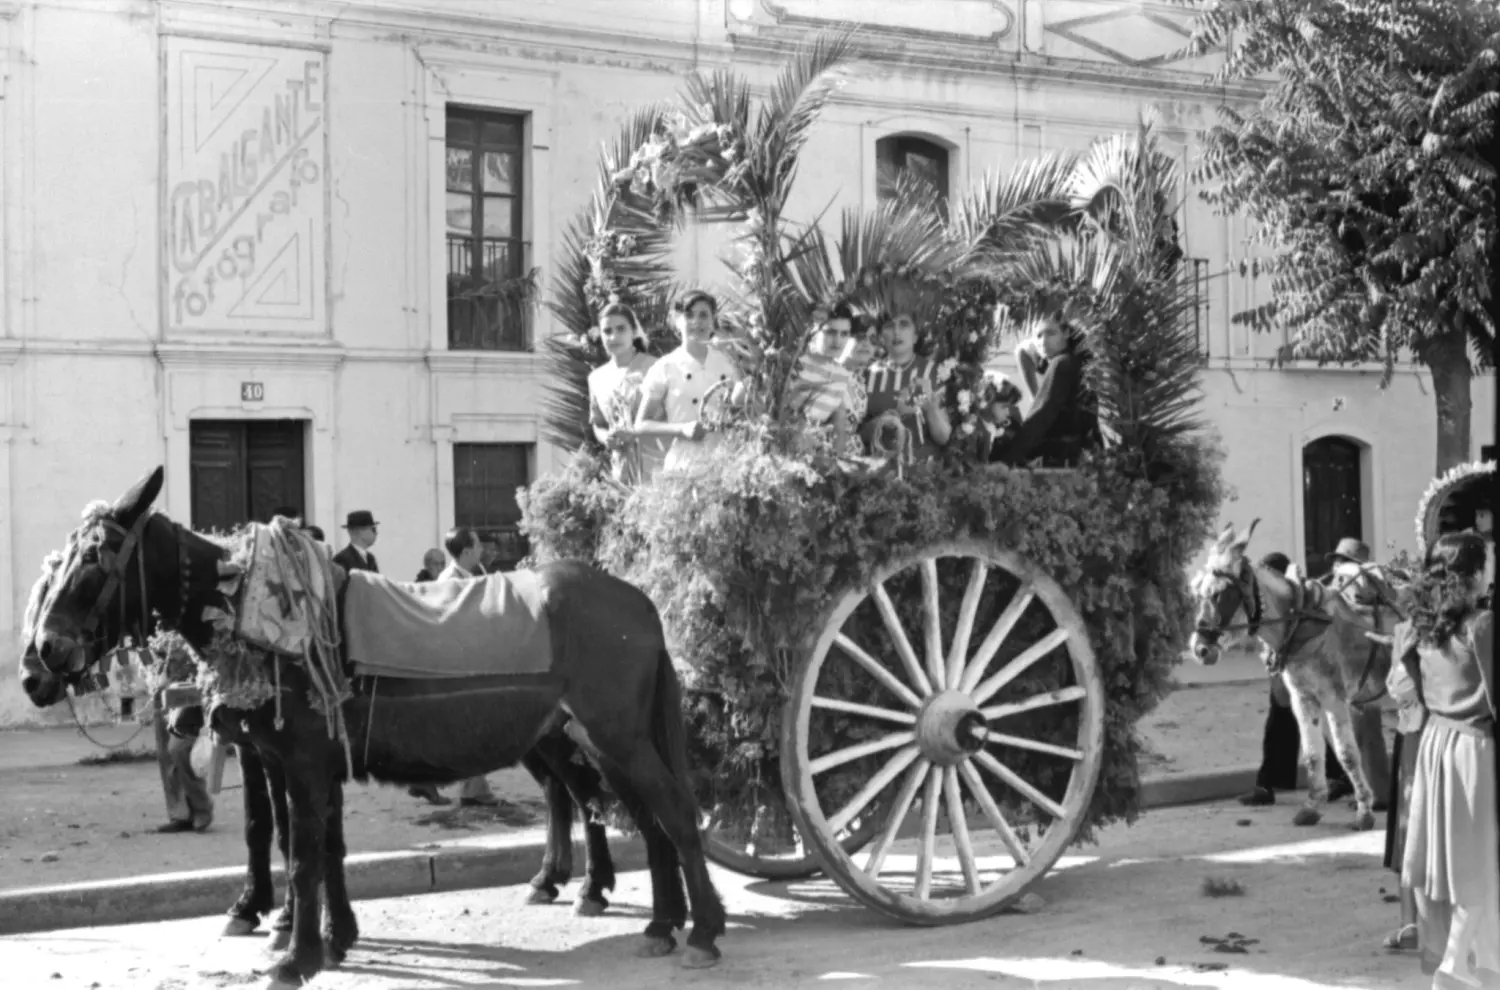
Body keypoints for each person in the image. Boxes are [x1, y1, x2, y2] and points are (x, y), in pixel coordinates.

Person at [1395, 532, 1497, 987]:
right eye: (1488, 561)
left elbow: (1411, 690)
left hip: (1436, 745)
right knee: (1479, 863)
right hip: (1475, 749)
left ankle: (1490, 963)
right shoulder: (1482, 624)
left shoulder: (1419, 625)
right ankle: (1454, 966)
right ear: (1472, 573)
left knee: (1460, 863)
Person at [1238, 551, 1362, 806]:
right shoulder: (1277, 601)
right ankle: (1271, 783)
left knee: (1303, 723)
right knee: (1288, 722)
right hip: (1287, 670)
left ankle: (1272, 784)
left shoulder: (1300, 603)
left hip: (1304, 672)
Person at [417, 526, 503, 809]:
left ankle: (472, 788)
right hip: (457, 664)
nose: (482, 549)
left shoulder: (471, 574)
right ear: (466, 551)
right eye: (477, 544)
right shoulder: (450, 581)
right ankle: (426, 777)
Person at [634, 289, 741, 478]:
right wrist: (681, 429)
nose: (696, 322)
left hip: (726, 465)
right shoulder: (665, 367)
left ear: (713, 320)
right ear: (677, 321)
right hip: (684, 467)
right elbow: (641, 426)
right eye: (689, 315)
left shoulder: (729, 362)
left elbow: (742, 411)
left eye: (703, 315)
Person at [989, 315, 1099, 468]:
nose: (1043, 341)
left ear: (1066, 333)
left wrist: (1008, 460)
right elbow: (1022, 352)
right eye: (1038, 336)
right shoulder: (1077, 361)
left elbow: (1042, 415)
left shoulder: (1061, 363)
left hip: (1060, 454)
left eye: (1051, 333)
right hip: (1082, 451)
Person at [587, 301, 667, 484]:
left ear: (634, 331)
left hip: (657, 468)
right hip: (620, 471)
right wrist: (606, 438)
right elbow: (598, 423)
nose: (614, 337)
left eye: (621, 329)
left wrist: (636, 432)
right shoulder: (596, 378)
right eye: (607, 331)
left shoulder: (656, 368)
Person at [860, 312, 952, 465]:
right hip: (877, 469)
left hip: (925, 469)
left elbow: (943, 438)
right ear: (881, 337)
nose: (896, 332)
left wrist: (932, 409)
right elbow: (857, 435)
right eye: (890, 326)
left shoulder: (934, 373)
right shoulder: (868, 375)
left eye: (904, 325)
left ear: (915, 336)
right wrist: (880, 423)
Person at [788, 304, 860, 449]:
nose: (837, 341)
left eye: (844, 334)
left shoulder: (843, 375)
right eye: (830, 332)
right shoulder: (798, 364)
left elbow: (839, 425)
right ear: (815, 331)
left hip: (815, 449)